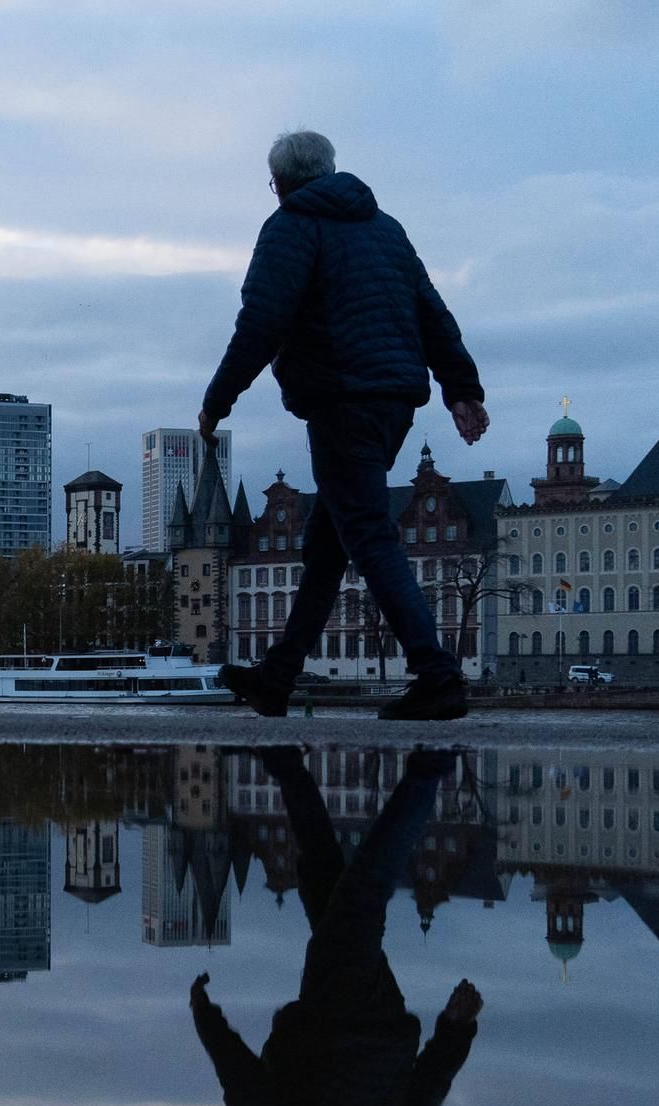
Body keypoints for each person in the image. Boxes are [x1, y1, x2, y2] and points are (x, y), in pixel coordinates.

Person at [198, 129, 489, 721]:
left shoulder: (290, 226)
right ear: (330, 171)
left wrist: (217, 401)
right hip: (395, 402)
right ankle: (277, 677)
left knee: (369, 536)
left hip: (341, 399)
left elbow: (261, 322)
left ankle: (437, 675)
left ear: (280, 183)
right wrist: (461, 388)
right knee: (329, 545)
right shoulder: (386, 229)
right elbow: (432, 311)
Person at [191, 747, 481, 1106]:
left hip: (381, 1031)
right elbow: (248, 1093)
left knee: (325, 882)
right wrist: (207, 1022)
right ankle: (430, 766)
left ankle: (286, 764)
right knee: (361, 897)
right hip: (334, 1025)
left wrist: (454, 1033)